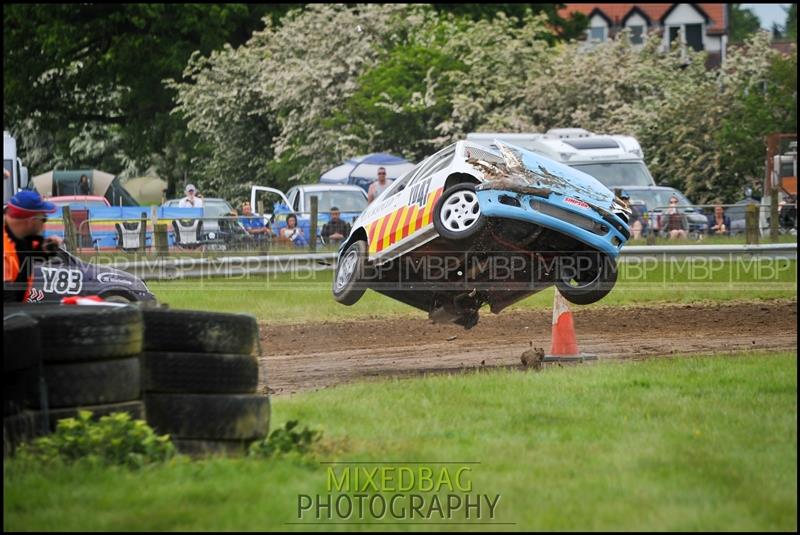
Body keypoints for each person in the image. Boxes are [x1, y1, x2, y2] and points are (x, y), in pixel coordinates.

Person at [4, 190, 62, 302]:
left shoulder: (18, 235)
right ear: (32, 221)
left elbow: (26, 255)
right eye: (44, 219)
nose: (44, 224)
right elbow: (7, 305)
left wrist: (47, 249)